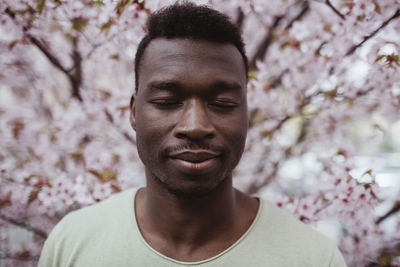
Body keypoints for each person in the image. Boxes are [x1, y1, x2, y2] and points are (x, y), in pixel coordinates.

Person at [38, 2, 347, 267]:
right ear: (133, 112)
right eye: (166, 102)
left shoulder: (313, 257)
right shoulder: (72, 243)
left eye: (223, 103)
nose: (196, 126)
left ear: (246, 113)